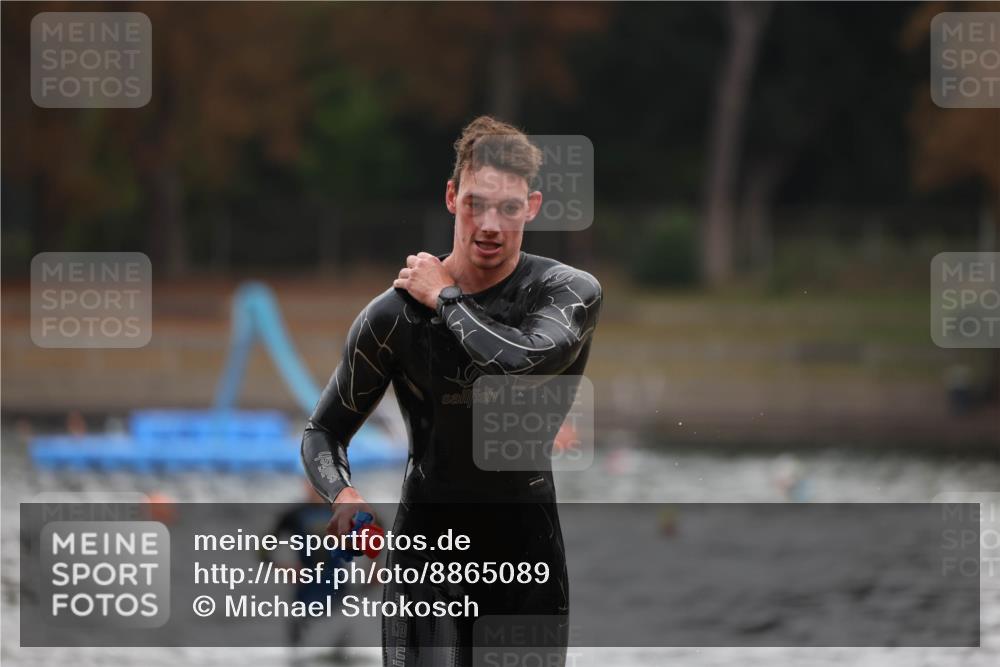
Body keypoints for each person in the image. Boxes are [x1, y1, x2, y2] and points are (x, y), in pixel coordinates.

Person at [301, 116, 602, 667]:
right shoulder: (392, 317)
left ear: (531, 207)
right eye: (475, 204)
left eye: (508, 208)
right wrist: (343, 496)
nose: (490, 224)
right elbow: (323, 431)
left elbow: (519, 362)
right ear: (450, 198)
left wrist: (445, 298)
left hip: (526, 557)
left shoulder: (565, 294)